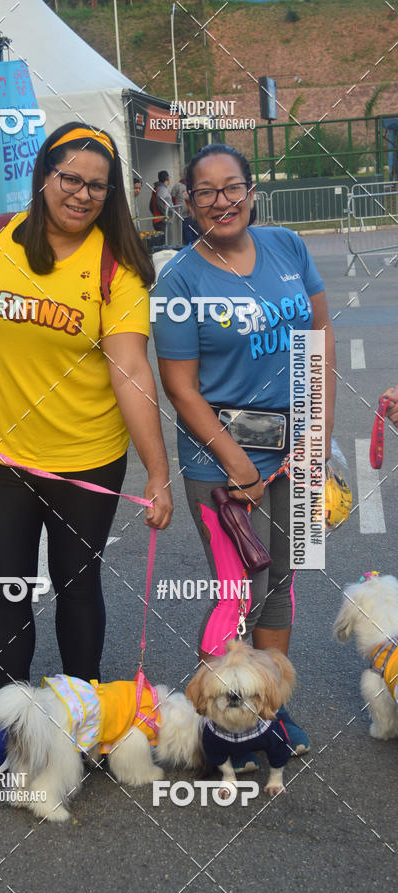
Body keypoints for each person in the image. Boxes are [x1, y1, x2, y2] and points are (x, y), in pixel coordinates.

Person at [0, 123, 173, 772]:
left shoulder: (116, 267)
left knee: (77, 586)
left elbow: (131, 372)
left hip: (87, 459)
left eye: (98, 184)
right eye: (71, 179)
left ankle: (82, 718)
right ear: (44, 176)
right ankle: (6, 723)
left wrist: (158, 470)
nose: (83, 194)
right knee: (8, 588)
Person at [152, 143, 337, 767]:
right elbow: (179, 385)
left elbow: (318, 333)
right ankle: (212, 723)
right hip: (220, 459)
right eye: (207, 192)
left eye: (233, 188)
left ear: (251, 191)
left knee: (281, 582)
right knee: (239, 591)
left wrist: (317, 428)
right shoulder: (180, 278)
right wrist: (237, 463)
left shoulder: (287, 246)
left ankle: (269, 714)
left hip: (292, 446)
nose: (223, 201)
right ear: (188, 201)